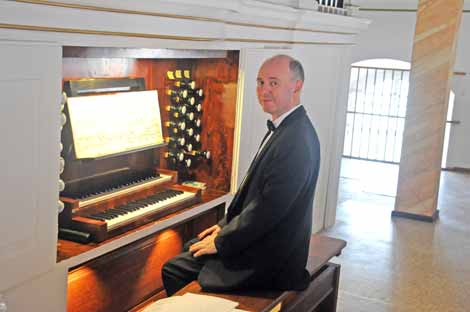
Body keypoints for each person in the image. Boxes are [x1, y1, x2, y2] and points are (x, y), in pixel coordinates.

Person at [162, 54, 321, 296]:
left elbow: (268, 211)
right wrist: (223, 227)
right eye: (260, 82)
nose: (264, 90)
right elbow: (255, 197)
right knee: (191, 247)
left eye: (273, 83)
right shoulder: (289, 129)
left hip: (270, 261)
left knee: (174, 269)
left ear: (296, 86)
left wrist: (222, 241)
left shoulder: (296, 140)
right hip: (271, 243)